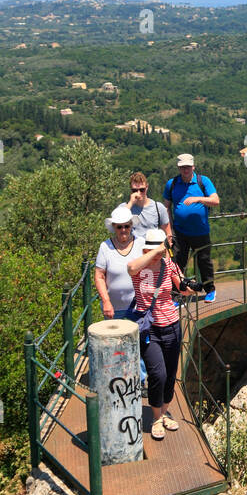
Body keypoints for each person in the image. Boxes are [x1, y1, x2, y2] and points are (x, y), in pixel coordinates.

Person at [127, 229, 201, 440]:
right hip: (150, 330)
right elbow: (130, 268)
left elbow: (182, 287)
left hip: (172, 326)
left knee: (170, 374)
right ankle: (156, 417)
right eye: (155, 250)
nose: (159, 254)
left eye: (161, 250)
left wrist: (191, 287)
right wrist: (156, 251)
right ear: (146, 249)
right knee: (157, 374)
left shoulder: (169, 265)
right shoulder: (139, 267)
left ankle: (164, 411)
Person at [164, 154, 219, 302]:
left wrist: (198, 199)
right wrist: (169, 230)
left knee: (204, 262)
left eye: (188, 166)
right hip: (179, 232)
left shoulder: (203, 181)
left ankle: (210, 290)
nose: (185, 169)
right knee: (177, 264)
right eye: (182, 167)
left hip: (200, 231)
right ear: (178, 168)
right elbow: (166, 207)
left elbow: (215, 200)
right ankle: (177, 295)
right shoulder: (172, 184)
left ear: (193, 167)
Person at [95, 207, 139, 320]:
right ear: (114, 227)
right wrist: (106, 302)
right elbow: (99, 276)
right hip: (113, 310)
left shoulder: (141, 244)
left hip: (139, 308)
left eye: (127, 226)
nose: (123, 229)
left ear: (131, 225)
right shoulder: (105, 247)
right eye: (119, 226)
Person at [113, 172, 169, 244]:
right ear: (131, 190)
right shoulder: (124, 208)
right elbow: (117, 223)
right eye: (135, 190)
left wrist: (167, 253)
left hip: (152, 250)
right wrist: (131, 203)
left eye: (142, 190)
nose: (138, 193)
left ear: (147, 187)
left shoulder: (158, 208)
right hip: (131, 251)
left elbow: (168, 233)